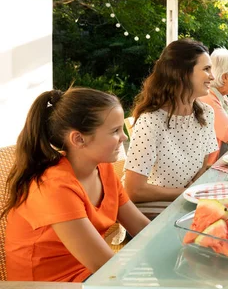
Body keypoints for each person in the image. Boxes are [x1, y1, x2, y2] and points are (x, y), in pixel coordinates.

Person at [3, 88, 150, 282]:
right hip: (47, 285)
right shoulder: (55, 187)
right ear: (79, 139)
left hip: (89, 274)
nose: (124, 137)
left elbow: (142, 227)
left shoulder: (104, 170)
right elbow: (107, 269)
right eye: (115, 131)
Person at [124, 39, 218, 207]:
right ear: (181, 74)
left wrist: (193, 194)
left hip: (186, 203)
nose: (213, 76)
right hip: (152, 209)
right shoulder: (151, 121)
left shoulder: (206, 113)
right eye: (206, 69)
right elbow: (134, 191)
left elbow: (202, 168)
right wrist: (190, 193)